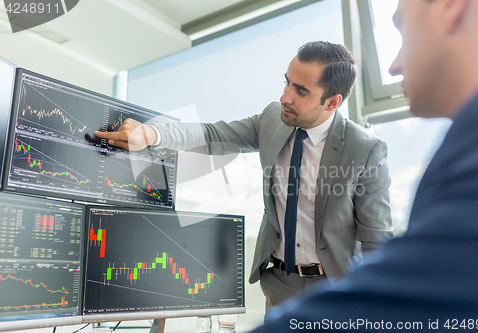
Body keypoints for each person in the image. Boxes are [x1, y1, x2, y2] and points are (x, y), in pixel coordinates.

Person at [242, 0, 478, 331]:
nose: (393, 66)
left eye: (402, 32)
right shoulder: (474, 136)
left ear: (451, 8)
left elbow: (415, 289)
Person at [94, 42, 393, 309]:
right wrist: (153, 132)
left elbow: (375, 238)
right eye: (287, 82)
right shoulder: (273, 119)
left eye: (301, 91)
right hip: (280, 282)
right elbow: (212, 134)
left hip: (336, 286)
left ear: (332, 102)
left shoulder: (364, 148)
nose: (285, 97)